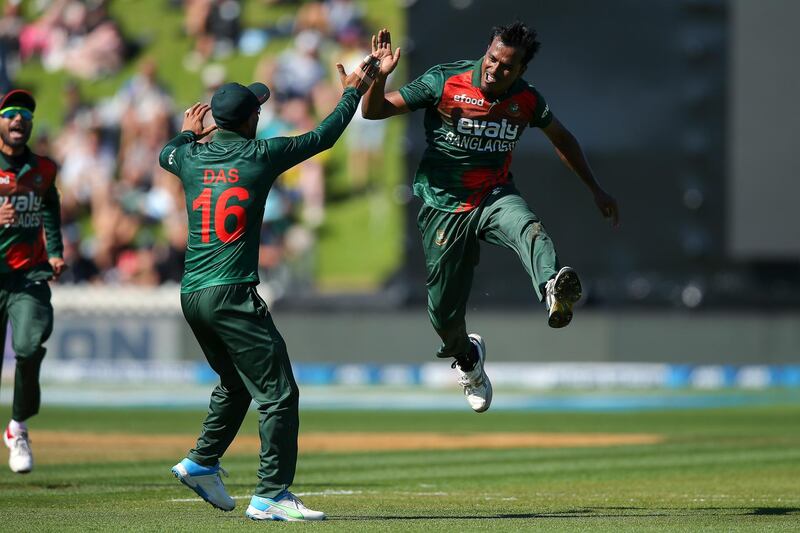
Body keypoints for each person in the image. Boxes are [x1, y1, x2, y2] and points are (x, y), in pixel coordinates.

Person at [158, 55, 379, 521]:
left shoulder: (190, 157)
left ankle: (201, 461)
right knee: (279, 393)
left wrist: (187, 133)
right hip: (232, 292)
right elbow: (323, 137)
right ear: (252, 119)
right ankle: (271, 494)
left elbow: (166, 154)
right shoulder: (260, 155)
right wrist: (354, 91)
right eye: (258, 107)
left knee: (236, 384)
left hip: (192, 294)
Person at [362, 23, 620, 413]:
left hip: (494, 195)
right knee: (443, 316)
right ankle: (467, 359)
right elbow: (374, 110)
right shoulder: (444, 80)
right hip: (444, 206)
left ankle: (552, 287)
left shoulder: (527, 100)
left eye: (506, 67)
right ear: (487, 49)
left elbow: (563, 139)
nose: (494, 70)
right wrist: (379, 79)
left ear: (520, 72)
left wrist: (595, 188)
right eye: (493, 59)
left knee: (527, 226)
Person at [0, 89, 66, 473]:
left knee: (28, 346)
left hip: (28, 275)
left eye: (24, 113)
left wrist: (55, 250)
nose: (18, 119)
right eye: (10, 112)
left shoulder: (43, 169)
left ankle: (17, 426)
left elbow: (50, 205)